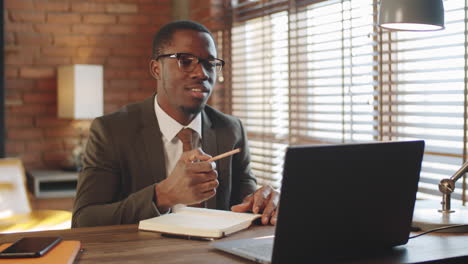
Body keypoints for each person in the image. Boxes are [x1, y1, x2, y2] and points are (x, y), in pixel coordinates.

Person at [72, 20, 279, 228]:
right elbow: (84, 220)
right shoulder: (111, 131)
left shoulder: (231, 130)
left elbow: (246, 204)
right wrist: (163, 196)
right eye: (186, 61)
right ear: (156, 69)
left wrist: (263, 203)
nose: (202, 73)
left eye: (209, 63)